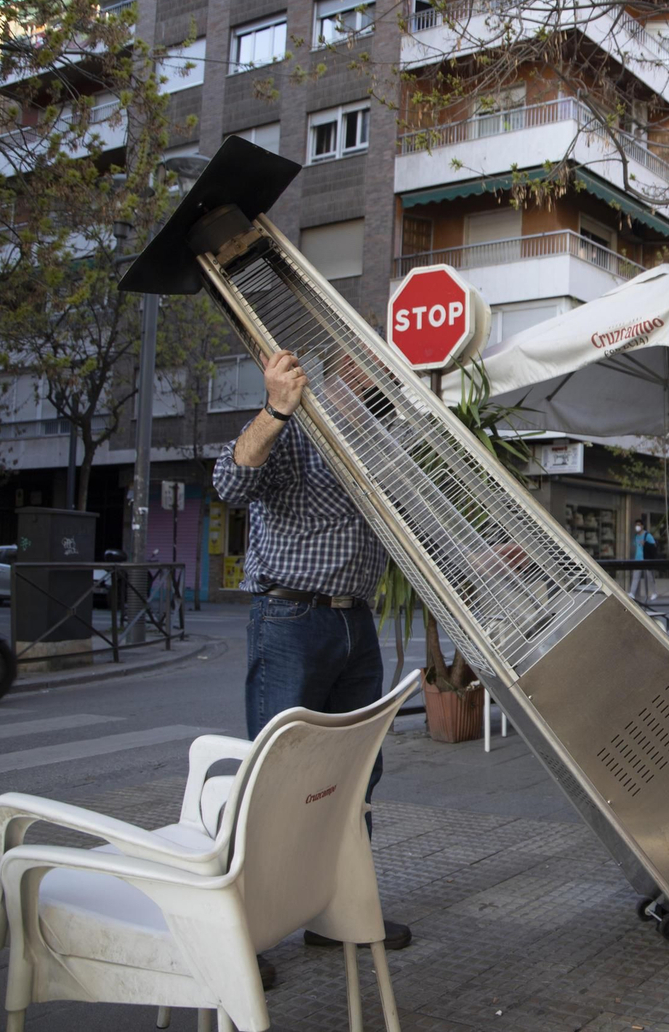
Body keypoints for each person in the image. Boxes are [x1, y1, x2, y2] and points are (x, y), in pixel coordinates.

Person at [212, 348, 412, 982]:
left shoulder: (379, 447)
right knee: (276, 779)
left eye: (377, 370)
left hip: (356, 620)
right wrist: (275, 409)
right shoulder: (294, 430)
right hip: (291, 617)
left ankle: (335, 913)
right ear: (334, 375)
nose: (372, 379)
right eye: (359, 367)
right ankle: (242, 933)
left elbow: (413, 531)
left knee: (357, 774)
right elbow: (230, 483)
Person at [629, 519, 657, 601]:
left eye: (638, 525)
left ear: (642, 526)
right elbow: (635, 546)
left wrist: (646, 544)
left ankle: (654, 593)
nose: (637, 527)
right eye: (636, 525)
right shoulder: (636, 536)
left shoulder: (647, 535)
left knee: (650, 577)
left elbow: (654, 545)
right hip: (638, 559)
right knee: (635, 576)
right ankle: (632, 593)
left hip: (646, 559)